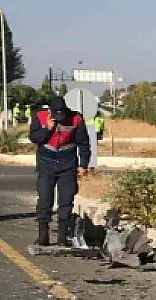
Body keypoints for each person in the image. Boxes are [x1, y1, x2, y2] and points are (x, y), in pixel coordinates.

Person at [28, 96, 91, 247]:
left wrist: (83, 165)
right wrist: (47, 129)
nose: (60, 119)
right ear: (49, 111)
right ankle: (43, 235)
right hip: (46, 163)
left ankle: (62, 237)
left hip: (67, 163)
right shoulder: (40, 116)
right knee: (44, 198)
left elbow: (83, 144)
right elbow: (34, 138)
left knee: (66, 200)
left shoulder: (76, 118)